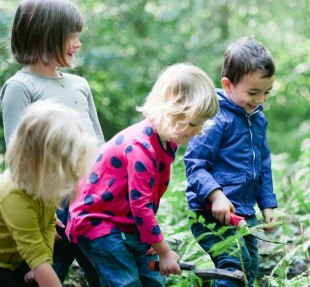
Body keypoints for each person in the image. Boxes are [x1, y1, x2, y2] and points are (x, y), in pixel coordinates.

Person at [66, 63, 219, 286]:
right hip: (99, 223)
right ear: (171, 111)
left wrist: (151, 239)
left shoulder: (167, 142)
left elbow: (147, 196)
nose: (199, 130)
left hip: (127, 223)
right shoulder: (141, 147)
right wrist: (164, 251)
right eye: (194, 123)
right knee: (125, 282)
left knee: (152, 280)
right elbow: (141, 205)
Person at [0, 0, 104, 286]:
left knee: (104, 271)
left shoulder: (79, 84)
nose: (78, 44)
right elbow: (19, 155)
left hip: (91, 200)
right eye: (71, 36)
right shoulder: (20, 87)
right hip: (50, 206)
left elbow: (98, 143)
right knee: (43, 275)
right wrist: (44, 211)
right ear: (44, 37)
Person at [184, 37, 278, 287]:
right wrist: (215, 196)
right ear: (228, 85)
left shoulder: (257, 118)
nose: (260, 99)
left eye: (266, 92)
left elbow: (263, 165)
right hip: (211, 213)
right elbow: (194, 163)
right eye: (253, 92)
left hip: (244, 212)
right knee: (233, 268)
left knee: (250, 268)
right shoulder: (213, 117)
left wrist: (267, 204)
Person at [0, 100, 97, 287]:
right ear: (47, 160)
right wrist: (39, 265)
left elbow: (49, 223)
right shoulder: (13, 194)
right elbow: (34, 254)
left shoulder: (43, 183)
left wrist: (45, 262)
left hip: (21, 259)